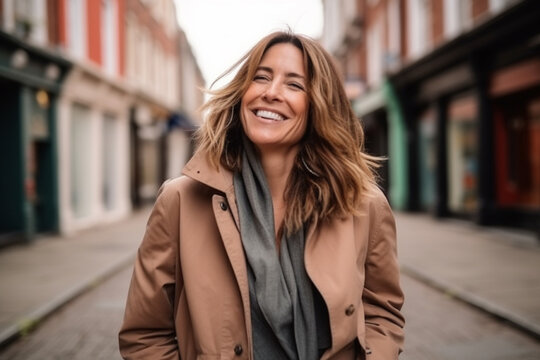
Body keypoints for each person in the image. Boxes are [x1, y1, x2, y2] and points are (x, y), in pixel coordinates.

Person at [119, 31, 404, 360]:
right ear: (243, 92)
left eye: (294, 84)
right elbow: (144, 335)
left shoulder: (363, 205)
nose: (271, 93)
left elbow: (383, 314)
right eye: (261, 77)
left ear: (319, 106)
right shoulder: (181, 201)